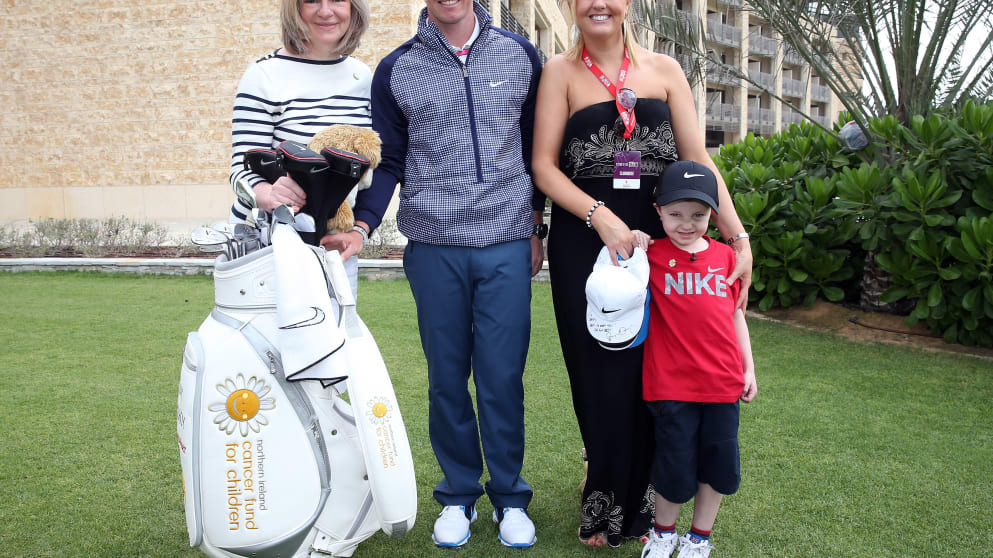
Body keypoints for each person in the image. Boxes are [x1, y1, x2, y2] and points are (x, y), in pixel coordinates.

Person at [530, 0, 753, 547]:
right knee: (600, 373)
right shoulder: (559, 72)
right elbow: (543, 167)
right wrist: (600, 217)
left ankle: (654, 499)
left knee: (657, 369)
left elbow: (699, 160)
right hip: (588, 244)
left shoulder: (666, 71)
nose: (597, 4)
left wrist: (738, 237)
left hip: (661, 245)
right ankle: (604, 497)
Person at [324, 0, 546, 549]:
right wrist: (363, 224)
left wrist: (537, 225)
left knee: (501, 378)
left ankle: (510, 497)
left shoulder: (520, 54)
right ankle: (458, 495)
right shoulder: (396, 68)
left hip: (505, 239)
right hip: (434, 244)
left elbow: (535, 148)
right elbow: (390, 160)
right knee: (447, 379)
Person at [638, 161, 757, 558]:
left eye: (698, 215)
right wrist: (634, 239)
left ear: (713, 214)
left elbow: (736, 316)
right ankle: (663, 533)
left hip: (722, 384)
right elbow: (617, 275)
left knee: (717, 463)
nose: (687, 224)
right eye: (675, 214)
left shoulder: (727, 257)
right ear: (658, 211)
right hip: (671, 386)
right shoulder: (651, 255)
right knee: (674, 463)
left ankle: (699, 538)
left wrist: (748, 368)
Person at [228, 0, 372, 298]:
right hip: (271, 246)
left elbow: (369, 165)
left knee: (336, 326)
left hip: (336, 248)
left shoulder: (362, 77)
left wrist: (357, 230)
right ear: (295, 9)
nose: (325, 10)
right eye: (311, 0)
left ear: (354, 8)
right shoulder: (264, 75)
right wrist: (267, 193)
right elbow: (240, 170)